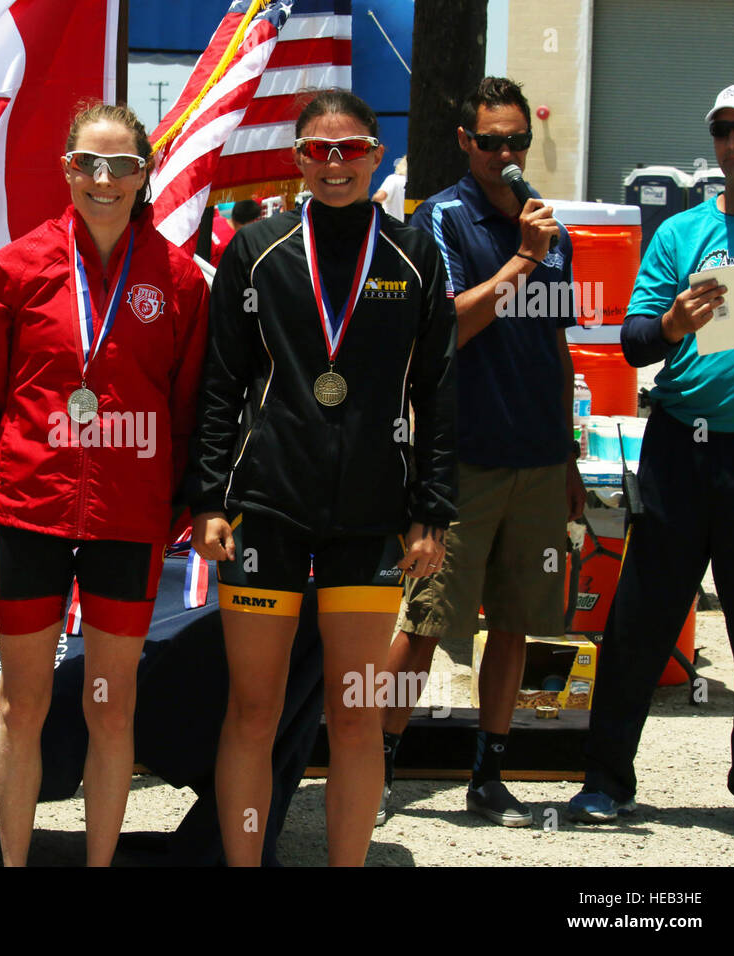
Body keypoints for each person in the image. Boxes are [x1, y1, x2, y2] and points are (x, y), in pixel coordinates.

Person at [189, 88, 457, 866]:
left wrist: (431, 512)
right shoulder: (257, 250)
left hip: (371, 513)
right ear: (298, 159)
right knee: (253, 710)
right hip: (267, 505)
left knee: (354, 715)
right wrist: (209, 500)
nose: (334, 165)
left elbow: (438, 392)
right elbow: (220, 385)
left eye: (350, 150)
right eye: (318, 151)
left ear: (376, 155)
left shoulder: (415, 257)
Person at [0, 102, 208, 866]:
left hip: (127, 522)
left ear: (145, 174)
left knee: (112, 708)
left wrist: (169, 503)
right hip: (30, 512)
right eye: (88, 166)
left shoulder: (178, 279)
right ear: (66, 169)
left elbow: (191, 404)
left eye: (122, 166)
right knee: (22, 703)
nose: (104, 181)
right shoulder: (14, 269)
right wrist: (5, 481)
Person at [381, 77, 586, 828]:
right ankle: (378, 763)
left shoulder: (547, 228)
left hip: (536, 457)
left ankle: (490, 772)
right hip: (461, 458)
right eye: (491, 141)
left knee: (516, 621)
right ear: (466, 143)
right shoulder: (439, 218)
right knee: (427, 620)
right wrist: (521, 262)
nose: (506, 155)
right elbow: (444, 330)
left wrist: (566, 455)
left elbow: (558, 349)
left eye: (517, 142)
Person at [570, 83, 734, 833]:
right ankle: (606, 783)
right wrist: (674, 322)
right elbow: (633, 341)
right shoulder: (681, 234)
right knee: (641, 621)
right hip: (681, 446)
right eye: (723, 129)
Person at [372, 156, 408, 222]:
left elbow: (378, 197)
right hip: (407, 228)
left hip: (391, 227)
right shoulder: (414, 183)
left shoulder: (393, 179)